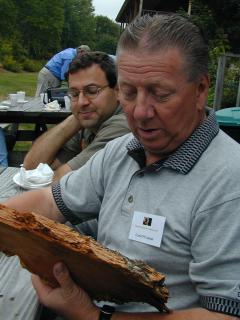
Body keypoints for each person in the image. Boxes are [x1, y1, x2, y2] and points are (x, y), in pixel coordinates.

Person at [4, 13, 240, 319]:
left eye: (160, 93)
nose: (140, 112)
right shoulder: (123, 151)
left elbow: (224, 315)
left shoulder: (229, 181)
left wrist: (93, 316)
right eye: (129, 93)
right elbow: (50, 201)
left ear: (200, 90)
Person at [25, 52, 129, 181]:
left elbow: (60, 180)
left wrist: (79, 114)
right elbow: (30, 169)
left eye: (92, 91)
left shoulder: (124, 125)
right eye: (74, 94)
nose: (81, 102)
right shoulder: (88, 122)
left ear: (117, 91)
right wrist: (75, 118)